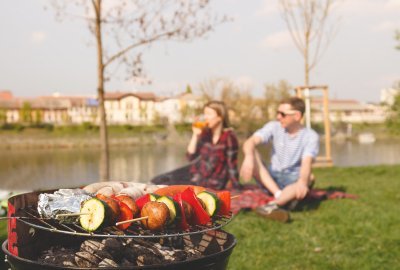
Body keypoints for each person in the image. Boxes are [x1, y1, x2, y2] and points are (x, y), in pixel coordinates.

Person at [240, 97, 319, 222]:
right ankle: (281, 198)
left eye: (282, 114)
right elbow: (251, 141)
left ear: (297, 116)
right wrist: (248, 158)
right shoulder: (274, 127)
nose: (278, 117)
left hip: (292, 179)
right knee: (252, 151)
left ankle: (272, 205)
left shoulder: (310, 136)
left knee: (309, 178)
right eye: (277, 113)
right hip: (271, 177)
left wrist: (303, 182)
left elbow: (306, 162)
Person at [152, 100, 242, 191]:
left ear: (220, 117)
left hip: (213, 180)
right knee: (158, 180)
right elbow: (190, 157)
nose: (205, 117)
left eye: (209, 114)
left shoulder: (229, 137)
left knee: (168, 186)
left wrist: (236, 187)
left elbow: (232, 165)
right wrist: (195, 135)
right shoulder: (205, 133)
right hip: (196, 172)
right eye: (205, 114)